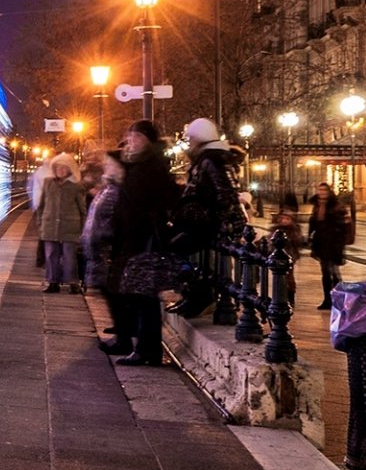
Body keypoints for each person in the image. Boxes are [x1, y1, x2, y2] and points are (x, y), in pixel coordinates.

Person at [109, 120, 177, 366]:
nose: (132, 141)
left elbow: (145, 202)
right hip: (134, 238)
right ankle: (143, 347)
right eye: (131, 136)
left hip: (143, 239)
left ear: (148, 140)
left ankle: (147, 350)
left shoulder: (151, 166)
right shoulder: (140, 164)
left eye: (137, 137)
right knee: (139, 294)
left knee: (143, 295)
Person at [172, 117, 248, 318]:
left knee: (177, 248)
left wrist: (215, 219)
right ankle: (193, 296)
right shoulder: (211, 157)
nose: (189, 143)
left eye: (191, 138)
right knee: (189, 255)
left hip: (210, 223)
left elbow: (225, 194)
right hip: (208, 221)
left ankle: (200, 295)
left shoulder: (212, 159)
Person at [84, 152, 130, 353]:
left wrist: (105, 240)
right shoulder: (109, 188)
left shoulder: (118, 190)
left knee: (115, 294)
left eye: (110, 164)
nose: (106, 166)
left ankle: (124, 339)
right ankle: (121, 333)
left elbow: (116, 220)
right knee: (110, 293)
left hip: (107, 250)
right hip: (100, 249)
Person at [36, 157, 89, 293]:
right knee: (51, 255)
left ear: (70, 170)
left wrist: (84, 229)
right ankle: (53, 282)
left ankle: (73, 283)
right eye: (58, 167)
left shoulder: (76, 186)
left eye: (64, 168)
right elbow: (42, 205)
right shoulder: (48, 183)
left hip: (70, 226)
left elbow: (82, 209)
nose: (61, 170)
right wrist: (40, 223)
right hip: (50, 225)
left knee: (69, 256)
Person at [308, 183, 352, 309]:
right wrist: (310, 236)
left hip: (333, 242)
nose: (321, 192)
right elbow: (313, 222)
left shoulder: (336, 206)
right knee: (325, 272)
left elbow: (342, 225)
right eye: (319, 190)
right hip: (321, 242)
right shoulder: (316, 205)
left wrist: (338, 239)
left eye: (324, 190)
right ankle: (327, 299)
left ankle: (340, 298)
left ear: (328, 192)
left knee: (333, 271)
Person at [270, 190, 304, 304]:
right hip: (277, 256)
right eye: (282, 218)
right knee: (279, 277)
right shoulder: (276, 229)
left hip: (290, 255)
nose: (284, 220)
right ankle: (280, 295)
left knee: (289, 276)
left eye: (287, 219)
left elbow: (299, 241)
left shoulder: (294, 229)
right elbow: (270, 240)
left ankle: (290, 295)